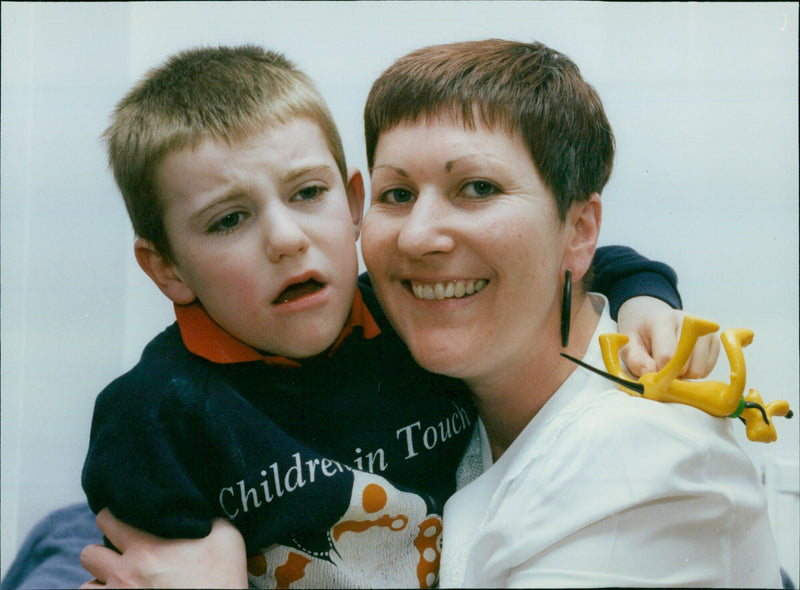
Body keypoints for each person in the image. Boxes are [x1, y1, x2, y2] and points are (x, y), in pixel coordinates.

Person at [75, 44, 708, 589]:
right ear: (167, 270)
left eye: (307, 193)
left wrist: (647, 298)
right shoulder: (154, 414)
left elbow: (580, 259)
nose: (286, 239)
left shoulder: (397, 311)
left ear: (352, 203)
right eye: (228, 220)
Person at [359, 38, 781, 587]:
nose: (416, 237)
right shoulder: (447, 383)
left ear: (579, 231)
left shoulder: (648, 464)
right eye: (395, 194)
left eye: (477, 188)